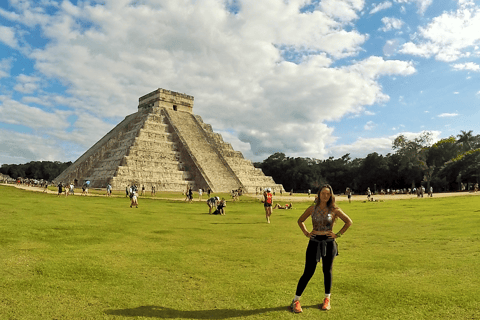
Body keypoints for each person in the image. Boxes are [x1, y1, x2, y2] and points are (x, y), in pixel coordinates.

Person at [289, 184, 353, 313]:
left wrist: (337, 235)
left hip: (329, 242)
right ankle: (296, 300)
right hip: (314, 242)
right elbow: (300, 220)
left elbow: (348, 222)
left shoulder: (334, 209)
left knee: (327, 271)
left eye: (328, 193)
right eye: (323, 193)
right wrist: (307, 233)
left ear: (331, 195)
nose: (325, 195)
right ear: (319, 194)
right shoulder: (312, 209)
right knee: (308, 271)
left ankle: (327, 299)